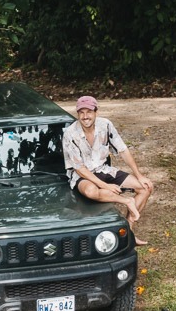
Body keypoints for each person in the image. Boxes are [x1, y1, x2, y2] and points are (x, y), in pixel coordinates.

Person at [63, 95, 154, 245]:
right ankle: (127, 201)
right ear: (77, 114)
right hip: (83, 175)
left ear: (95, 112)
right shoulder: (70, 134)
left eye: (89, 112)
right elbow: (79, 169)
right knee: (91, 191)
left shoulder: (105, 125)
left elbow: (123, 150)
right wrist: (106, 186)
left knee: (145, 187)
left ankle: (128, 231)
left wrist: (139, 175)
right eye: (81, 113)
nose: (85, 116)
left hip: (103, 169)